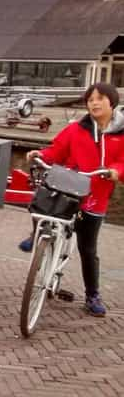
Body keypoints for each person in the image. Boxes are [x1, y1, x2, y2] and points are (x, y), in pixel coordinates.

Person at [23, 83, 124, 317]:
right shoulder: (76, 129)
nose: (94, 103)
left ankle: (92, 295)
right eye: (90, 100)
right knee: (43, 208)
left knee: (88, 249)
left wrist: (115, 170)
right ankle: (37, 238)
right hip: (69, 189)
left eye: (100, 99)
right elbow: (56, 151)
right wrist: (41, 155)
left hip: (95, 196)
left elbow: (122, 161)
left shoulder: (121, 134)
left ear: (112, 102)